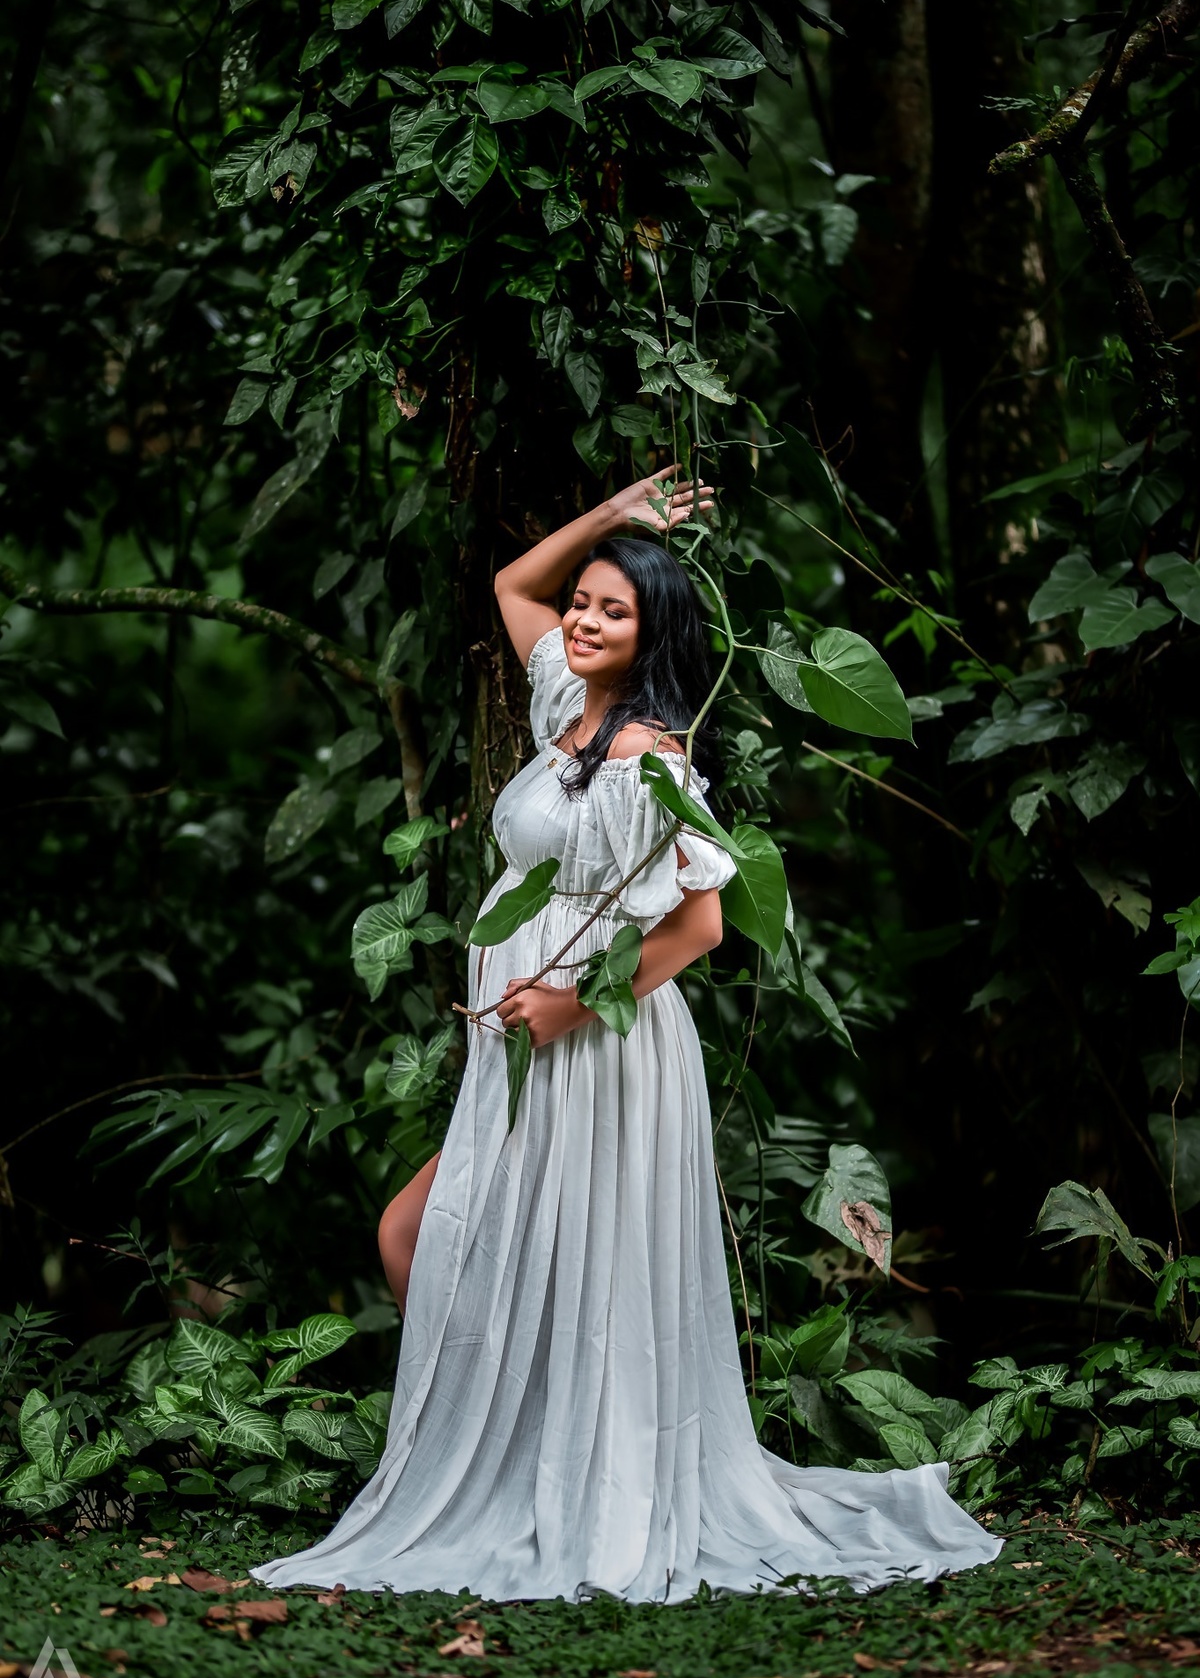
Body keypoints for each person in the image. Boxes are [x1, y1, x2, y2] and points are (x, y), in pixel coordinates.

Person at [250, 467, 1002, 1603]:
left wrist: (565, 1005)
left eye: (614, 610)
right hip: (524, 1057)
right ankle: (505, 1456)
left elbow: (700, 926)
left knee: (437, 1235)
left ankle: (548, 1474)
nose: (584, 620)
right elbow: (515, 583)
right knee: (418, 1236)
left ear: (654, 637)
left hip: (602, 1049)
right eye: (585, 604)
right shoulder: (566, 711)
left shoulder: (652, 754)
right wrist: (613, 518)